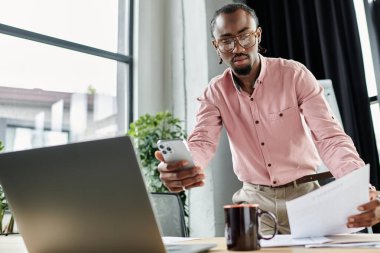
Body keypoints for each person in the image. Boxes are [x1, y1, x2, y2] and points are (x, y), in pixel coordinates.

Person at [155, 3, 379, 234]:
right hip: (254, 201)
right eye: (226, 41)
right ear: (217, 46)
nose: (238, 48)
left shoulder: (294, 75)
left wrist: (360, 187)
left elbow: (330, 138)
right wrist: (186, 167)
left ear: (258, 35)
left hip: (304, 196)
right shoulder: (215, 92)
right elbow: (202, 142)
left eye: (245, 36)